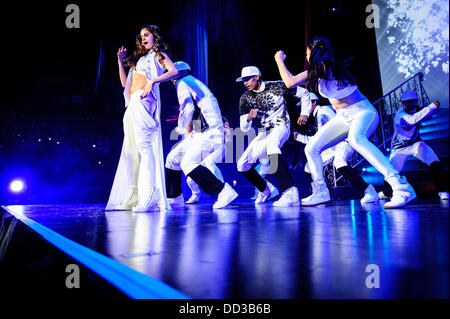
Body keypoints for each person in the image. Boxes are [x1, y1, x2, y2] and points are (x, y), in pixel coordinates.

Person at [275, 36, 416, 208]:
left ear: (315, 52)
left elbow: (289, 82)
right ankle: (320, 191)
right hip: (343, 116)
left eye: (306, 53)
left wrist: (278, 59)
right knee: (311, 148)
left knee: (357, 139)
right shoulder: (320, 72)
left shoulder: (327, 68)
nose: (305, 56)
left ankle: (401, 187)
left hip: (363, 112)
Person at [106, 25, 178, 212]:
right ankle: (135, 195)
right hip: (132, 103)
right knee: (131, 152)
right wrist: (120, 61)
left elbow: (173, 71)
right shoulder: (139, 59)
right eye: (141, 36)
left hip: (144, 100)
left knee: (145, 148)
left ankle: (151, 194)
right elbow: (125, 84)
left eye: (147, 35)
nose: (143, 38)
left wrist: (153, 81)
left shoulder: (157, 53)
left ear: (155, 36)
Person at [165, 61, 238, 209]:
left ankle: (223, 191)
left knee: (187, 163)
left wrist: (180, 127)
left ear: (177, 74)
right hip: (201, 133)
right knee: (172, 158)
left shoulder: (182, 82)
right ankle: (174, 197)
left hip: (211, 132)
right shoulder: (194, 82)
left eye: (172, 75)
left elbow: (187, 108)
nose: (171, 80)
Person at [236, 66, 312, 207]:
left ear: (256, 77)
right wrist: (249, 119)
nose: (245, 83)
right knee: (242, 164)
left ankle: (290, 191)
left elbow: (304, 93)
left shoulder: (276, 86)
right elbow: (243, 128)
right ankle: (267, 190)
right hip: (264, 132)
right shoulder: (245, 98)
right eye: (243, 81)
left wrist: (305, 113)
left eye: (247, 79)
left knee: (272, 145)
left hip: (281, 126)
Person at [294, 92, 379, 203]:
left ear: (314, 103)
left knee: (338, 162)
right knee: (309, 166)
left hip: (342, 142)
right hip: (335, 144)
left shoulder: (322, 113)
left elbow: (320, 139)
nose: (303, 109)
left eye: (305, 105)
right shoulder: (319, 113)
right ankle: (319, 193)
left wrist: (300, 137)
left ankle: (368, 190)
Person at [379, 91, 449, 200]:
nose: (411, 104)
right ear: (403, 103)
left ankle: (442, 190)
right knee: (391, 171)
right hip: (400, 148)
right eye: (407, 102)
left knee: (435, 162)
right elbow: (412, 120)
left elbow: (421, 115)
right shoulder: (400, 115)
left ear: (416, 101)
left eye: (413, 101)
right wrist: (432, 106)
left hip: (416, 143)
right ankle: (386, 193)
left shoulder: (418, 109)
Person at [184, 116, 232, 204]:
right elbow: (195, 135)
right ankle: (195, 195)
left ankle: (224, 192)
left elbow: (227, 127)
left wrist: (228, 136)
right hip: (206, 151)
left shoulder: (216, 115)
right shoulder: (198, 118)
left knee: (209, 162)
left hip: (219, 147)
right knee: (190, 178)